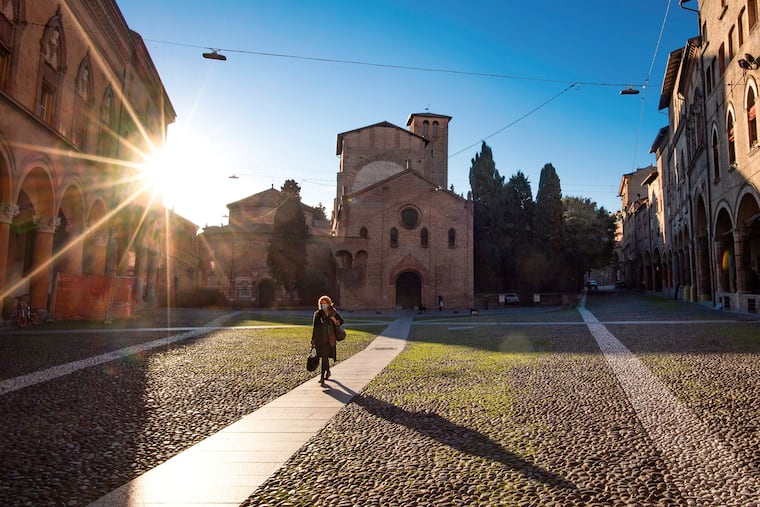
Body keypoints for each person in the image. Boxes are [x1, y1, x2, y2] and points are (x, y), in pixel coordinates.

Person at [311, 295, 344, 385]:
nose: (323, 305)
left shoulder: (333, 313)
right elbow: (314, 328)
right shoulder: (318, 314)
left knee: (325, 357)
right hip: (319, 339)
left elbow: (341, 321)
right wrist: (313, 340)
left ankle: (322, 377)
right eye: (321, 303)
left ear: (329, 304)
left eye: (324, 303)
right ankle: (328, 371)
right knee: (323, 357)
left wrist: (335, 321)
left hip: (329, 339)